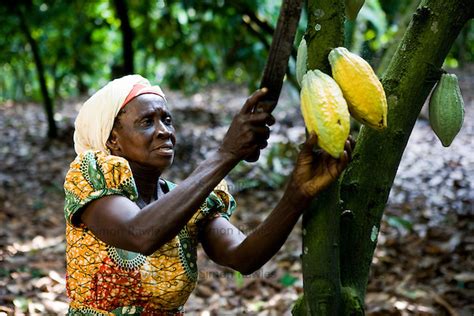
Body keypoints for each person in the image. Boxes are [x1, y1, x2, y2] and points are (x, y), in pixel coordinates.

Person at [64, 74, 353, 315]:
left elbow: (243, 256)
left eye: (167, 120)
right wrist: (226, 154)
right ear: (112, 138)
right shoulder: (91, 178)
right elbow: (140, 234)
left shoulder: (190, 201)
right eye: (147, 122)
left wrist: (297, 194)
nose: (164, 131)